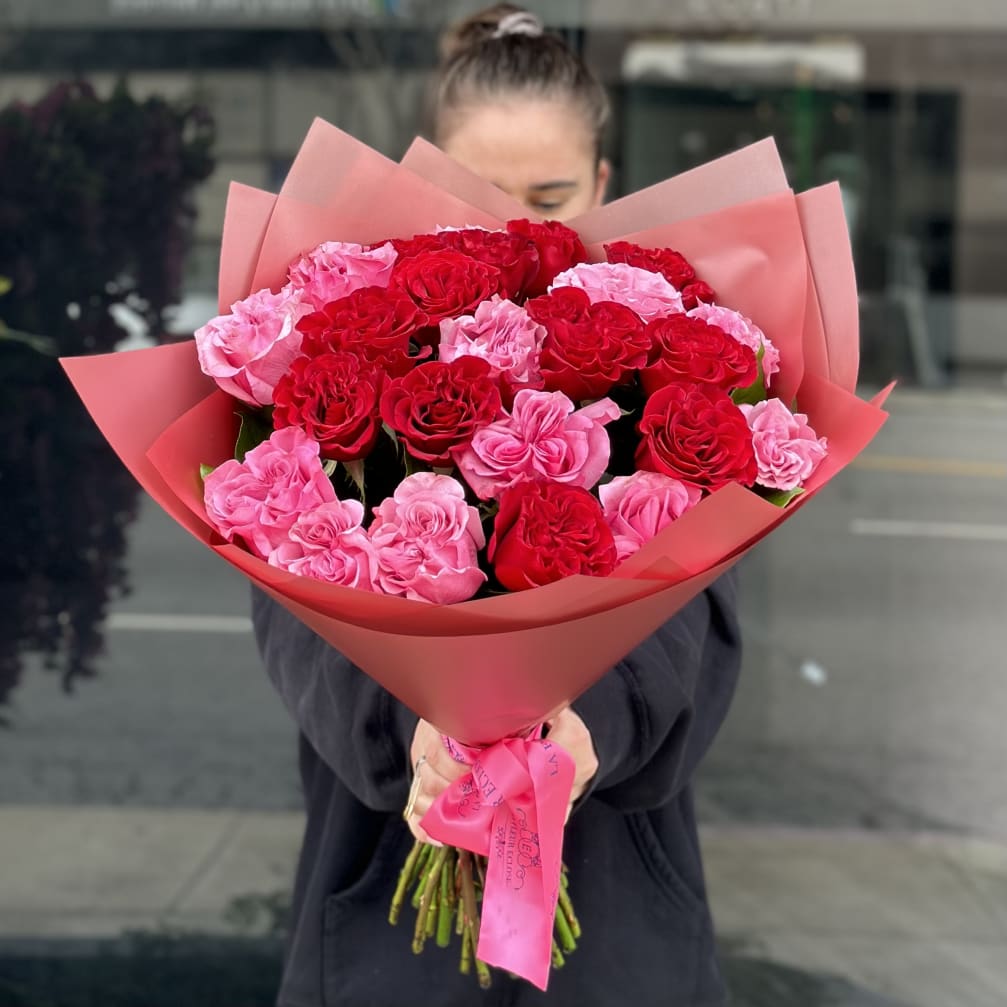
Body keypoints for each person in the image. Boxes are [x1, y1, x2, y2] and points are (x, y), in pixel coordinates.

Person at [252, 6, 742, 1005]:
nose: (519, 225)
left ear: (602, 185)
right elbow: (288, 612)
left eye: (551, 193)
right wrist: (415, 724)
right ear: (419, 176)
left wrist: (583, 723)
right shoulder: (333, 347)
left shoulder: (667, 358)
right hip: (385, 931)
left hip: (613, 941)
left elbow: (698, 619)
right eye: (478, 193)